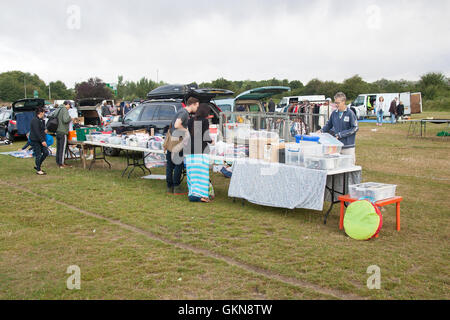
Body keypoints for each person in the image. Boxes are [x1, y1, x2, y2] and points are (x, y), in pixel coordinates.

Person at [165, 97, 199, 195]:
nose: (197, 108)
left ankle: (169, 187)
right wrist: (187, 131)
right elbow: (176, 125)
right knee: (178, 164)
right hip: (177, 141)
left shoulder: (181, 111)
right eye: (197, 105)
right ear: (192, 104)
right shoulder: (184, 113)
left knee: (170, 165)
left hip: (172, 139)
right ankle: (176, 188)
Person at [185, 103, 213, 203]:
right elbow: (205, 137)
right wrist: (212, 141)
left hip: (190, 151)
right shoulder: (205, 121)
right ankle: (202, 195)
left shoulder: (190, 121)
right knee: (202, 175)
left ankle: (193, 194)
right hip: (201, 151)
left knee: (192, 176)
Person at [320, 92, 359, 162]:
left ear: (343, 102)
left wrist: (341, 134)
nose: (336, 105)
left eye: (338, 103)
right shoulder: (334, 113)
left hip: (348, 146)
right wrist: (321, 131)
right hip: (337, 146)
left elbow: (355, 128)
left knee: (349, 168)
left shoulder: (350, 113)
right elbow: (329, 125)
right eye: (335, 103)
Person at [29, 107, 49, 175]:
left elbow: (42, 129)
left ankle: (38, 165)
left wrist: (44, 130)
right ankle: (38, 170)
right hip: (36, 140)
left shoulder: (40, 120)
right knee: (38, 154)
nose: (44, 113)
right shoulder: (34, 120)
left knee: (46, 152)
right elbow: (37, 132)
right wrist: (42, 141)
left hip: (41, 139)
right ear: (40, 113)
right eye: (44, 112)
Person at [56, 101, 72, 169]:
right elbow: (65, 120)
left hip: (58, 131)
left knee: (59, 148)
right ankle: (61, 164)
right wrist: (70, 118)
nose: (69, 108)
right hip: (63, 131)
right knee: (63, 148)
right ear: (67, 104)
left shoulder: (58, 108)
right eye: (69, 106)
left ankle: (58, 161)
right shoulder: (64, 109)